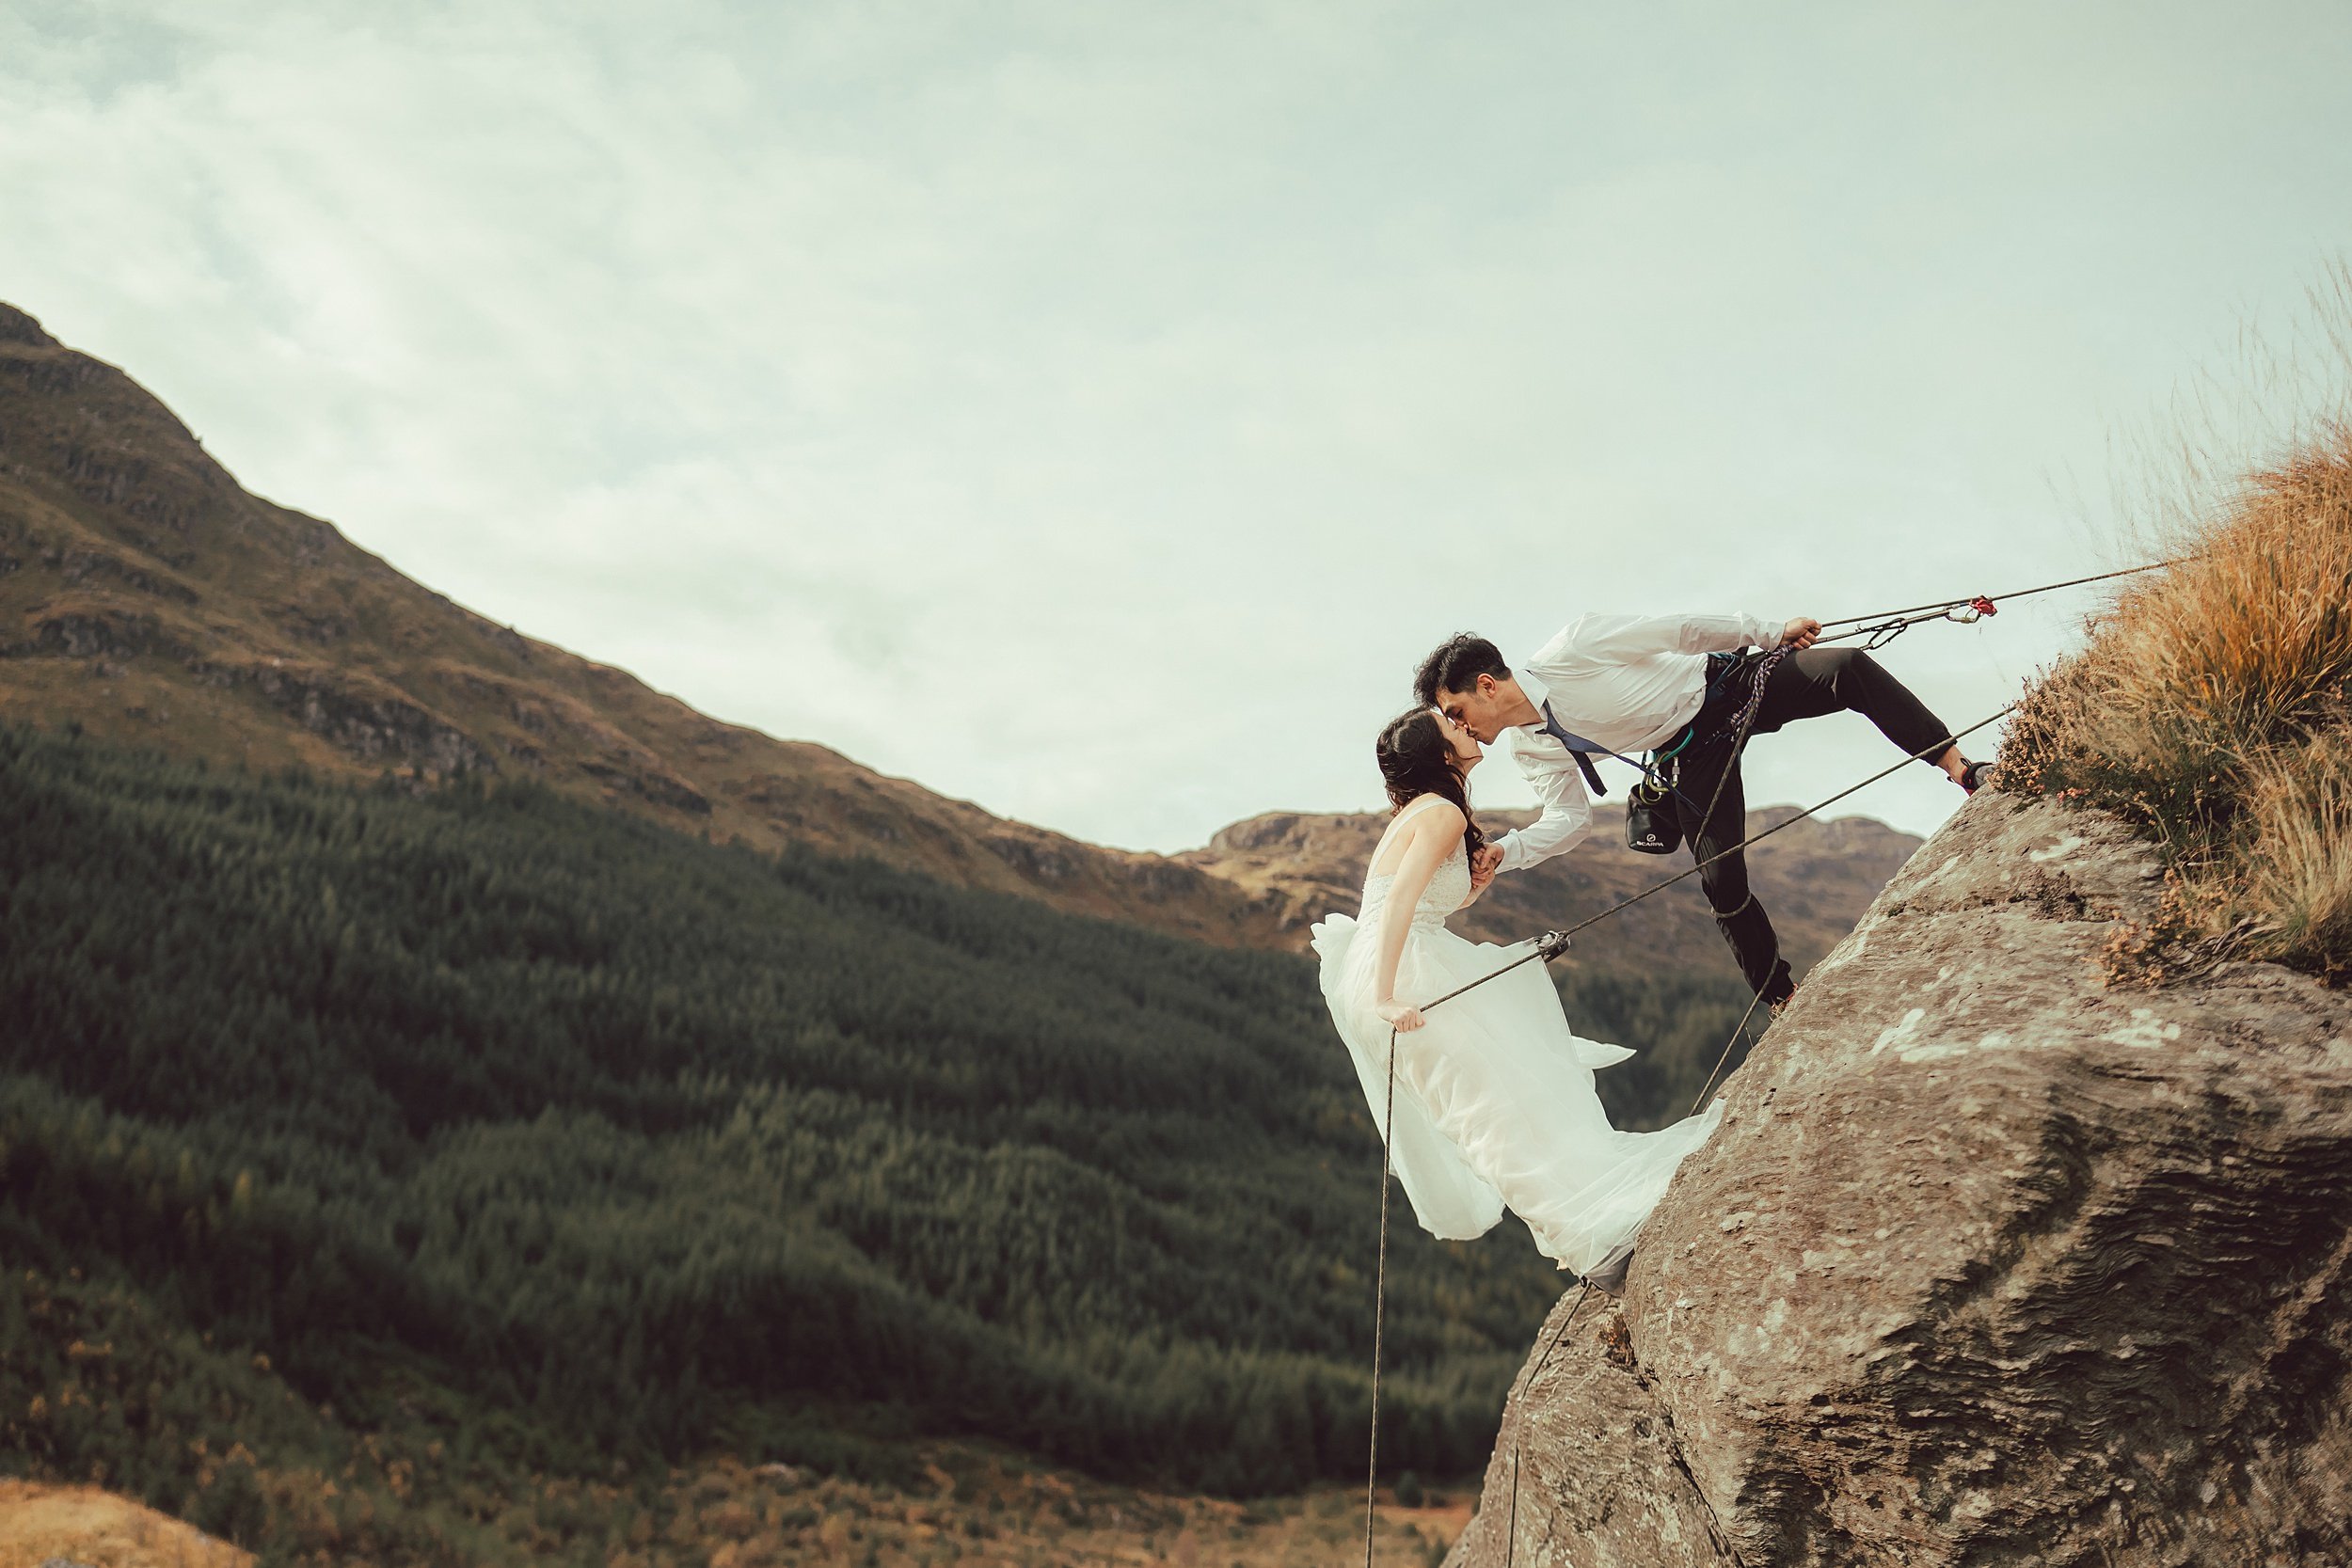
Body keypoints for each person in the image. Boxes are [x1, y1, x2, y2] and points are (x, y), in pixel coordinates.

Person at [1311, 706, 1723, 1291]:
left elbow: (1418, 904)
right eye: (1450, 724)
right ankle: (1594, 1238)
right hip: (1401, 975)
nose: (1463, 724)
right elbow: (1399, 903)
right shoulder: (1442, 813)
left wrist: (1470, 892)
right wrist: (1384, 997)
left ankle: (1584, 1232)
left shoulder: (1422, 813)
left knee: (1495, 1105)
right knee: (1496, 1111)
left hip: (1394, 968)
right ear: (1440, 752)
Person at [1416, 615, 1991, 1011]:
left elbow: (1679, 630)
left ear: (1486, 686)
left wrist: (1770, 631)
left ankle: (1963, 770)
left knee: (1847, 668)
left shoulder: (1571, 650)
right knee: (1721, 882)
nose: (1458, 726)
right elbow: (1570, 820)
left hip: (1726, 687)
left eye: (1455, 710)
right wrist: (1507, 852)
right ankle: (1781, 998)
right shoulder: (1530, 746)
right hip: (1690, 754)